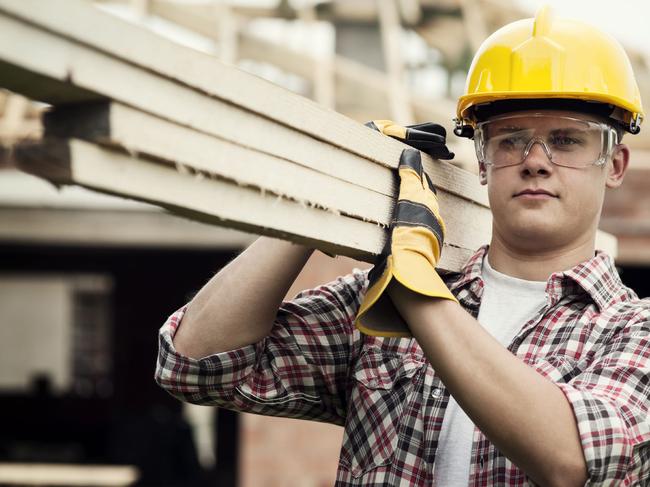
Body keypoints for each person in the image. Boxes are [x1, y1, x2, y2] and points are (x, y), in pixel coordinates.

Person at [156, 6, 649, 486]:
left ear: (616, 164)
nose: (535, 161)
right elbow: (194, 364)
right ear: (481, 161)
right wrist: (325, 198)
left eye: (566, 141)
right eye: (510, 139)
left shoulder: (633, 333)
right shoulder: (377, 301)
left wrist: (413, 287)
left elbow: (574, 461)